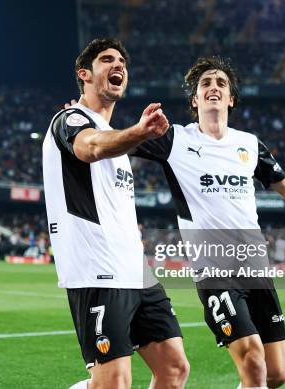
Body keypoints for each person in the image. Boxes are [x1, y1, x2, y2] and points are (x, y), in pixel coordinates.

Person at [132, 56, 285, 389]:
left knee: (277, 374)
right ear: (194, 100)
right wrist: (88, 119)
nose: (214, 87)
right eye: (205, 83)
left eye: (221, 82)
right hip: (215, 271)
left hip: (257, 269)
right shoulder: (174, 139)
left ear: (231, 98)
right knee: (253, 361)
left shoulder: (248, 144)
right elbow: (119, 145)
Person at [43, 38, 189, 389]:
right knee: (114, 383)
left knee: (174, 368)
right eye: (107, 59)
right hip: (97, 269)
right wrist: (139, 131)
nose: (118, 65)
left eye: (122, 60)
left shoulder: (117, 139)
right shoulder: (69, 119)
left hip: (135, 270)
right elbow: (90, 147)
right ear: (85, 74)